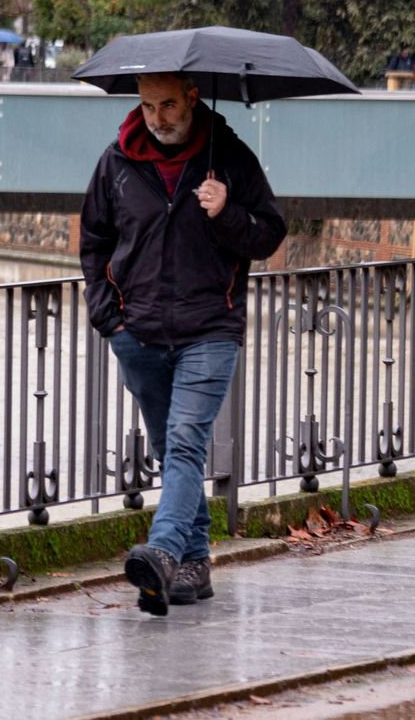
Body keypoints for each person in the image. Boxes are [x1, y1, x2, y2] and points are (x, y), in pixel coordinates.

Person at [80, 72, 286, 616]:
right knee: (173, 450)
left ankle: (165, 552)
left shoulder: (231, 158)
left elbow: (268, 234)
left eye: (168, 105)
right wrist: (110, 321)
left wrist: (227, 213)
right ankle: (194, 565)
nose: (158, 118)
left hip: (210, 328)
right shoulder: (116, 163)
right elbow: (94, 244)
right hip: (137, 332)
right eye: (148, 106)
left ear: (193, 99)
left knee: (187, 439)